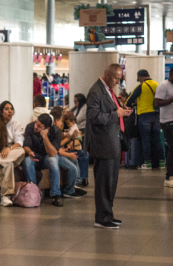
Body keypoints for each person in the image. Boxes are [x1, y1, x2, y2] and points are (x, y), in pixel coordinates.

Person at [85, 64, 132, 229]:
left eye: (120, 79)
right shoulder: (95, 91)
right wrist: (115, 114)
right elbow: (93, 117)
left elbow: (110, 111)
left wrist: (121, 110)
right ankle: (102, 218)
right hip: (102, 144)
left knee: (111, 182)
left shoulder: (108, 91)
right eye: (116, 78)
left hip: (112, 143)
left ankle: (108, 214)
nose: (117, 82)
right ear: (107, 75)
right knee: (104, 183)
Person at [0, 101, 26, 206]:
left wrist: (9, 148)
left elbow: (19, 142)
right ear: (1, 112)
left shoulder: (16, 124)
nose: (10, 111)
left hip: (11, 152)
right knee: (8, 164)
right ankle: (5, 197)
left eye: (11, 109)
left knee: (22, 151)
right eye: (7, 109)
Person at [22, 114, 64, 207]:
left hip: (47, 157)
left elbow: (53, 153)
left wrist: (45, 137)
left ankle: (55, 195)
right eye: (36, 123)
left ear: (47, 128)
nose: (36, 127)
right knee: (27, 161)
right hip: (34, 155)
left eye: (39, 126)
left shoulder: (56, 131)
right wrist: (29, 152)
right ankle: (34, 192)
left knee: (53, 161)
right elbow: (26, 146)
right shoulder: (30, 126)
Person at [126, 70, 163, 170]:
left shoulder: (141, 86)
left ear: (140, 77)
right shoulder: (157, 85)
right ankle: (161, 162)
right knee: (157, 140)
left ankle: (148, 162)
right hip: (156, 115)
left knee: (146, 140)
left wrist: (134, 103)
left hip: (144, 116)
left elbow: (128, 101)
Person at [49, 107, 82, 199]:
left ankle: (73, 186)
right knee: (73, 166)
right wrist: (68, 153)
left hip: (57, 153)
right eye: (61, 120)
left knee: (75, 164)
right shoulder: (54, 130)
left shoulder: (57, 129)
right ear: (56, 120)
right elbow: (55, 148)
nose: (63, 123)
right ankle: (67, 190)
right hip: (54, 155)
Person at [63, 111, 89, 187]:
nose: (67, 125)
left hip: (74, 147)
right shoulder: (74, 127)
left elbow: (70, 134)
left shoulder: (73, 128)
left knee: (84, 155)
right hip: (72, 147)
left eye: (68, 124)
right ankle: (82, 178)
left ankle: (82, 178)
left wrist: (66, 134)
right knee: (84, 155)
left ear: (73, 122)